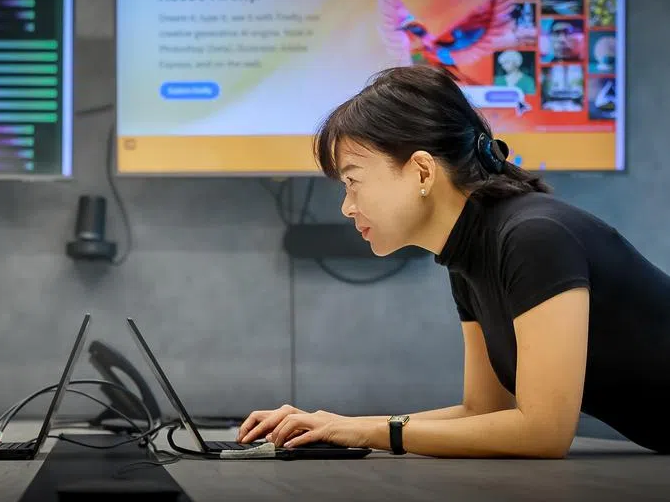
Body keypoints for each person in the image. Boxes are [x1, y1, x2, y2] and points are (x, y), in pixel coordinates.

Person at [238, 65, 670, 458]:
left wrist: (367, 432)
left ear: (423, 172)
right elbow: (483, 410)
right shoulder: (468, 254)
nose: (347, 207)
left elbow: (543, 431)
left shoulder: (533, 237)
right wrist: (341, 426)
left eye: (353, 182)